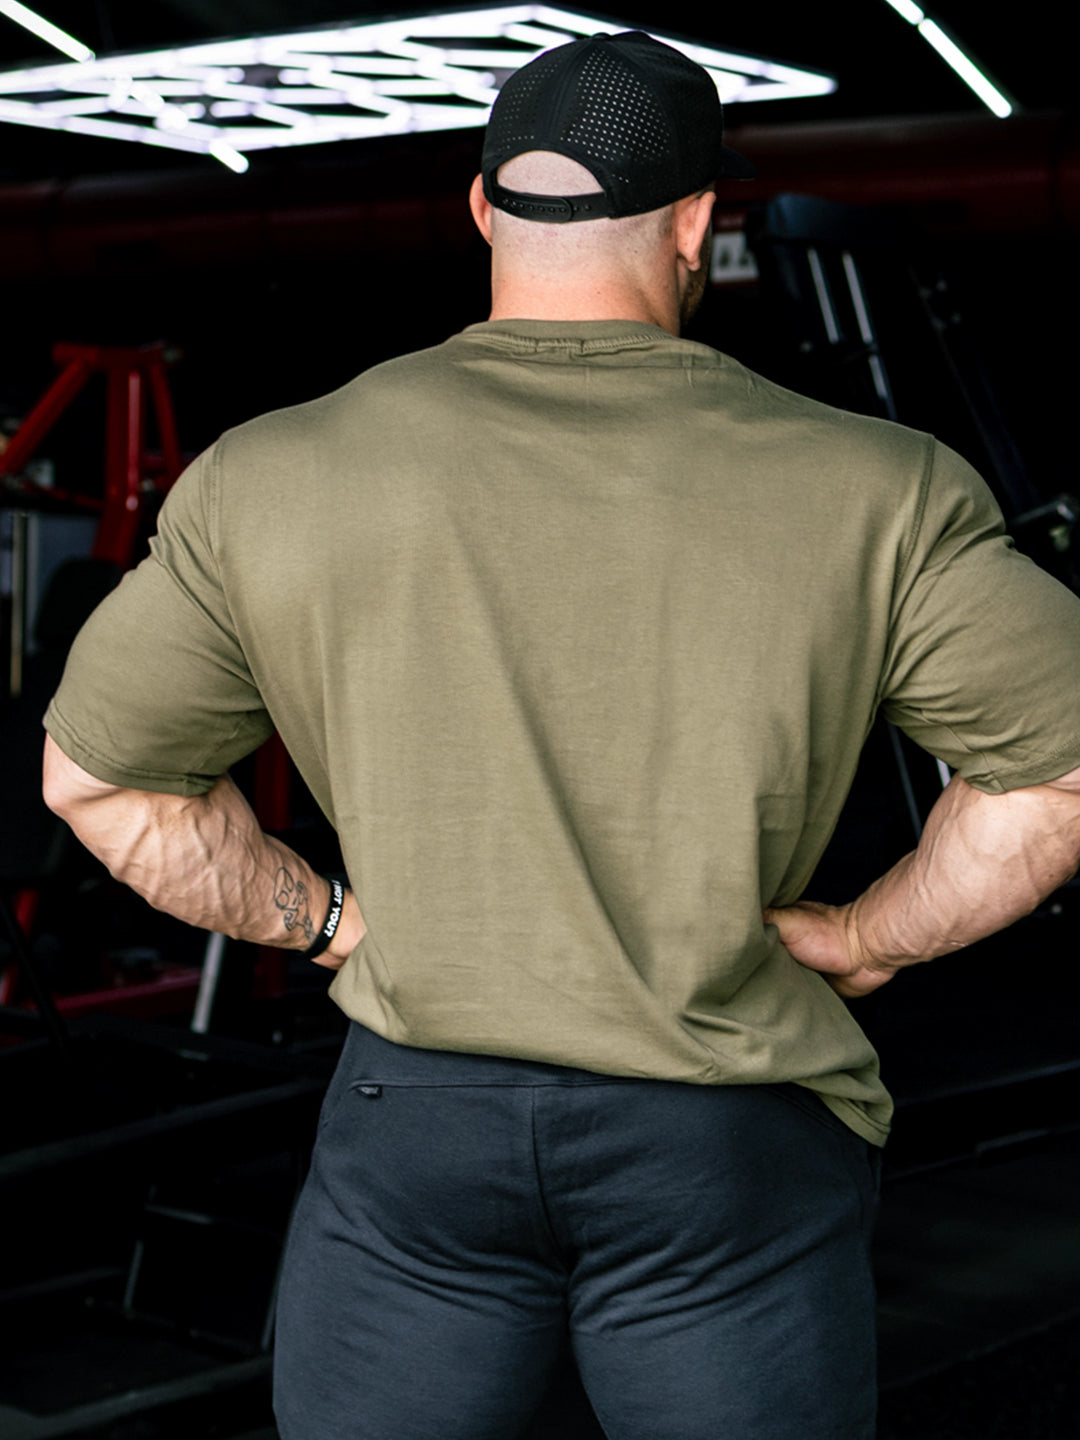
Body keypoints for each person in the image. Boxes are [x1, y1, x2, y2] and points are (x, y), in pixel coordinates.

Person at [41, 29, 1080, 1440]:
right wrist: (872, 936)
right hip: (724, 1133)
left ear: (479, 208)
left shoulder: (273, 472)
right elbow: (1058, 774)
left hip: (418, 1119)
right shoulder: (879, 487)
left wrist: (328, 920)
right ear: (700, 225)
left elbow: (99, 779)